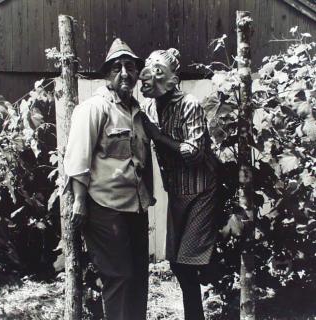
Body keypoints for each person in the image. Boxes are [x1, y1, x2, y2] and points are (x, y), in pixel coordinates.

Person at [63, 38, 155, 320]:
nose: (125, 73)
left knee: (139, 277)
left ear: (138, 73)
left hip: (135, 207)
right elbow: (78, 156)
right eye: (117, 68)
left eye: (130, 67)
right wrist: (79, 201)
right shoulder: (94, 108)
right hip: (104, 207)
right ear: (107, 75)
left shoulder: (138, 112)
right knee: (120, 277)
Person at [139, 48, 220, 320]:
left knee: (186, 264)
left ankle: (195, 314)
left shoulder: (190, 104)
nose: (149, 77)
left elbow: (194, 152)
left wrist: (159, 138)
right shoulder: (150, 106)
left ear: (172, 79)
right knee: (176, 263)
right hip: (175, 192)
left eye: (158, 71)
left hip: (200, 191)